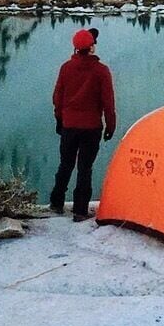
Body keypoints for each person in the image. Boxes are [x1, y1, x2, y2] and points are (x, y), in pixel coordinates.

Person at [50, 27, 116, 221]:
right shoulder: (101, 71)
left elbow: (58, 98)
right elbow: (108, 103)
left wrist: (59, 119)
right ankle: (80, 211)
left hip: (69, 125)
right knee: (85, 168)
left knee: (65, 164)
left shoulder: (66, 68)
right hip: (91, 127)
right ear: (92, 47)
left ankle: (56, 202)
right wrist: (110, 125)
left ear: (76, 48)